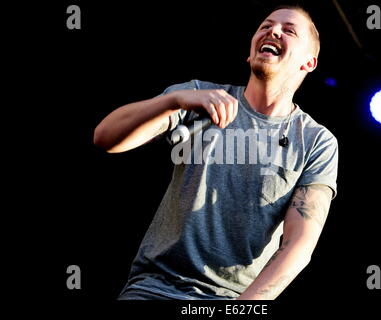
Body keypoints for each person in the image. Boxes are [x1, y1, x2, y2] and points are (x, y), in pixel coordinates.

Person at [93, 5, 338, 300]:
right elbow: (105, 138)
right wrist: (175, 100)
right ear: (250, 52)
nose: (272, 31)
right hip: (156, 288)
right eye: (265, 26)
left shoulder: (315, 140)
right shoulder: (199, 97)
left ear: (309, 62)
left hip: (234, 299)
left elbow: (298, 246)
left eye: (289, 30)